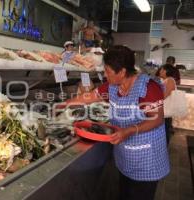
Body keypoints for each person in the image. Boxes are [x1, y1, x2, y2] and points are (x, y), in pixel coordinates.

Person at [57, 45, 170, 200]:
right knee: (125, 194)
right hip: (125, 156)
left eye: (108, 71)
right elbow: (88, 97)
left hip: (147, 159)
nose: (105, 74)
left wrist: (129, 130)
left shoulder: (149, 88)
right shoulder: (111, 87)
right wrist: (62, 105)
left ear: (122, 72)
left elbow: (157, 119)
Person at [158, 64, 177, 144]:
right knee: (163, 131)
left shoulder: (170, 80)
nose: (160, 71)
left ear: (166, 71)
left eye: (161, 69)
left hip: (166, 111)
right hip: (164, 110)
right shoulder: (166, 80)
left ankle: (163, 150)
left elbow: (164, 95)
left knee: (165, 131)